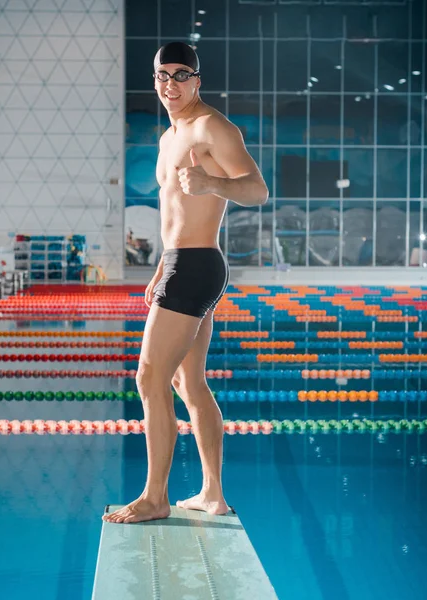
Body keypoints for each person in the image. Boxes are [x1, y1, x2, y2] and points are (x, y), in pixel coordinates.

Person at [103, 42, 268, 524]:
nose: (170, 84)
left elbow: (256, 189)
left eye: (181, 74)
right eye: (162, 76)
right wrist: (159, 266)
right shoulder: (167, 137)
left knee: (148, 377)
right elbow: (173, 213)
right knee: (187, 382)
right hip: (180, 261)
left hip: (197, 264)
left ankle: (155, 497)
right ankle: (212, 495)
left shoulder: (213, 127)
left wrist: (215, 184)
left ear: (198, 80)